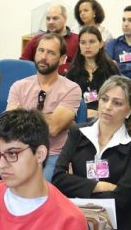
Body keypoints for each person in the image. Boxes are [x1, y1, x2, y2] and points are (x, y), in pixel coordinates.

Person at [53, 75, 131, 230]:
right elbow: (58, 179)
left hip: (117, 225)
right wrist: (100, 186)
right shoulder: (78, 133)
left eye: (117, 103)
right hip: (75, 218)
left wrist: (77, 187)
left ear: (130, 110)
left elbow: (122, 198)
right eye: (104, 99)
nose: (108, 106)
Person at [8, 33, 81, 180]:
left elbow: (53, 129)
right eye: (41, 51)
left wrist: (23, 113)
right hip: (20, 151)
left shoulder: (71, 89)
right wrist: (49, 117)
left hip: (52, 154)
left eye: (51, 53)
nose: (43, 56)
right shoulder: (19, 86)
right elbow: (11, 126)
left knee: (37, 186)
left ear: (62, 59)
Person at [66, 26, 119, 118]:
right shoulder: (72, 71)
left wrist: (98, 113)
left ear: (101, 44)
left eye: (92, 42)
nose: (87, 46)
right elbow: (67, 101)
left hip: (105, 116)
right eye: (83, 42)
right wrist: (82, 112)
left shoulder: (111, 69)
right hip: (78, 117)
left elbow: (117, 98)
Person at [20, 4, 79, 75]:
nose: (50, 22)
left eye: (55, 18)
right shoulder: (36, 40)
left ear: (65, 18)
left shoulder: (78, 41)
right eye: (48, 18)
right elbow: (22, 65)